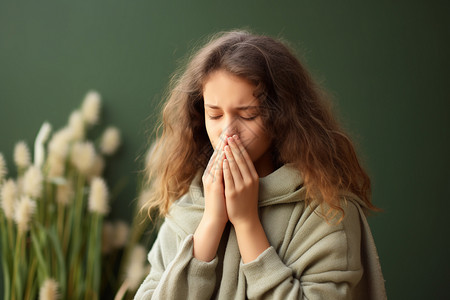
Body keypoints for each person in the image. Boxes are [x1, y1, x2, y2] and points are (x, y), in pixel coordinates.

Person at [134, 30, 386, 300]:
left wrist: (246, 223)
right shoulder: (187, 205)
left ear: (282, 116)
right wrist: (211, 222)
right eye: (215, 114)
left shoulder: (328, 210)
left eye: (248, 115)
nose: (228, 131)